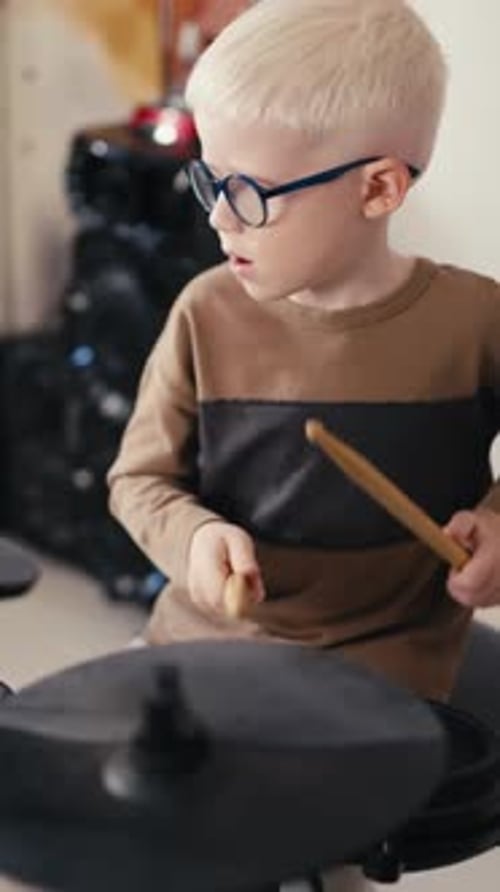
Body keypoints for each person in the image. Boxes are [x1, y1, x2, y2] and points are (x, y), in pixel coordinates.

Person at [107, 0, 500, 704]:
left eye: (250, 192)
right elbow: (138, 482)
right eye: (210, 181)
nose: (219, 217)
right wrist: (193, 539)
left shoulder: (476, 322)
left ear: (378, 187)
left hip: (389, 670)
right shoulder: (206, 310)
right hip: (204, 645)